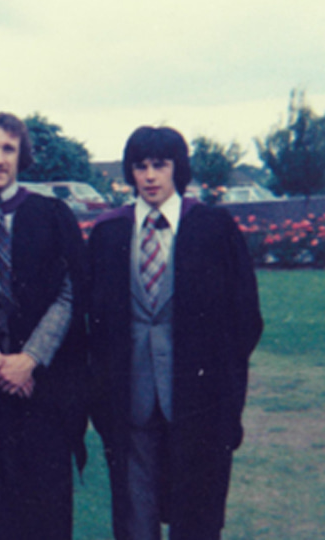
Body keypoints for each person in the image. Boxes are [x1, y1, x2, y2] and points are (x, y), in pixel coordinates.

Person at [87, 126, 263, 540]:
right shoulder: (110, 233)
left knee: (198, 511)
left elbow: (246, 317)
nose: (149, 176)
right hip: (130, 395)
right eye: (140, 167)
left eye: (159, 166)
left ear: (177, 169)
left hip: (199, 397)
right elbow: (93, 321)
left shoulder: (213, 228)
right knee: (135, 511)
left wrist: (218, 371)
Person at [0, 112, 88, 540]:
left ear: (21, 156)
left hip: (42, 390)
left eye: (8, 149)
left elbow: (70, 292)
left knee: (42, 510)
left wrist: (30, 359)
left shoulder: (51, 214)